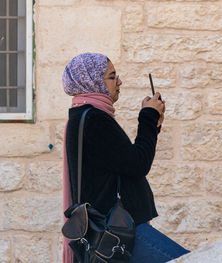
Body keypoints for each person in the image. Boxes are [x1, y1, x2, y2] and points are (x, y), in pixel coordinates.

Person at [62, 52, 189, 263]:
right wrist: (148, 117)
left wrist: (152, 124)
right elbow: (137, 165)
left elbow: (124, 161)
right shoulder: (95, 119)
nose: (119, 81)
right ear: (92, 81)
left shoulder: (82, 116)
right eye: (112, 77)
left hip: (113, 230)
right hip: (118, 232)